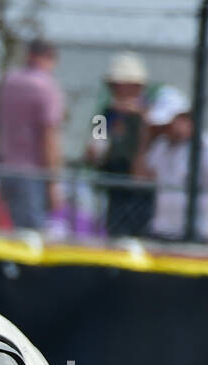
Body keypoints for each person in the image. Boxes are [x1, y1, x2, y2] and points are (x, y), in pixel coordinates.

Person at [137, 87, 208, 244]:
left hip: (200, 234)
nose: (164, 128)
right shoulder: (161, 146)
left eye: (168, 123)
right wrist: (145, 138)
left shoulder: (207, 145)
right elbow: (141, 178)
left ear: (184, 118)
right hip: (163, 232)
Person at [0, 38, 65, 231]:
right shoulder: (47, 87)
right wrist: (53, 182)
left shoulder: (9, 81)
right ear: (50, 58)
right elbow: (49, 136)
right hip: (34, 173)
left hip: (7, 168)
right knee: (35, 237)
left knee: (15, 234)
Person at [86, 52, 154, 237]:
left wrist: (139, 119)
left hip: (140, 190)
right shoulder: (106, 115)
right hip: (113, 183)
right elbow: (95, 147)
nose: (116, 90)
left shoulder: (150, 114)